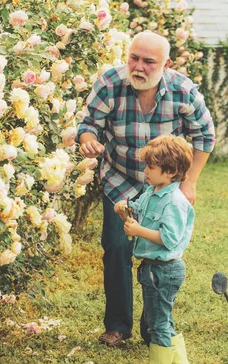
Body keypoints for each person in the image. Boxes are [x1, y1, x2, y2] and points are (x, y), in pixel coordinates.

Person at [76, 30, 215, 347]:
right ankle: (118, 327)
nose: (138, 66)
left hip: (164, 189)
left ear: (166, 64)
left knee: (161, 257)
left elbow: (205, 137)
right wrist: (88, 141)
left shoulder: (183, 91)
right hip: (120, 181)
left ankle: (155, 326)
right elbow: (88, 125)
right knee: (117, 249)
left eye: (148, 61)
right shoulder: (110, 83)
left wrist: (189, 182)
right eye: (133, 58)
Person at [115, 134, 203, 364]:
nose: (145, 171)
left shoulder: (174, 201)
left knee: (157, 322)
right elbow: (137, 210)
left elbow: (170, 238)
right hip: (152, 268)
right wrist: (124, 209)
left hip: (164, 270)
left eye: (150, 167)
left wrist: (138, 231)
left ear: (170, 171)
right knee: (162, 318)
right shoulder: (152, 192)